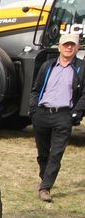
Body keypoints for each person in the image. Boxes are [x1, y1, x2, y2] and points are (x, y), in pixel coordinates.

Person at [28, 30, 85, 201]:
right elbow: (36, 89)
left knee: (56, 153)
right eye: (65, 44)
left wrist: (76, 112)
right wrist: (33, 110)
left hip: (63, 115)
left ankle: (45, 187)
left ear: (77, 48)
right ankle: (45, 177)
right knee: (43, 153)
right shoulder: (48, 66)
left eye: (72, 45)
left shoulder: (82, 68)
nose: (68, 48)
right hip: (42, 114)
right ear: (59, 47)